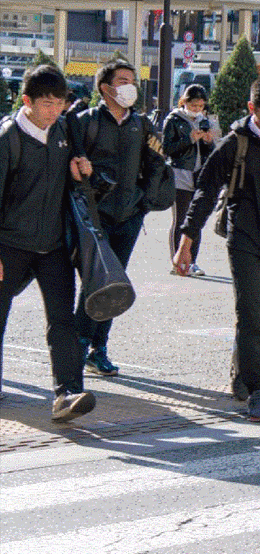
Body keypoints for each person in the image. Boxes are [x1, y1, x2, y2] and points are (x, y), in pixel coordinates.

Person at [173, 77, 260, 422]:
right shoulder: (234, 145)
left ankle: (245, 369)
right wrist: (187, 240)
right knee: (251, 315)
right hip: (245, 242)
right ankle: (256, 391)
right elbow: (205, 192)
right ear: (252, 109)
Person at [0, 65, 96, 422]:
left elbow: (80, 187)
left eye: (60, 102)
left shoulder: (65, 131)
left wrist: (83, 174)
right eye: (46, 103)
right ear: (27, 101)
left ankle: (68, 393)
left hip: (53, 245)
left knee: (63, 321)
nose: (53, 111)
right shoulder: (8, 137)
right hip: (9, 244)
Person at [75, 58, 171, 377]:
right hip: (93, 218)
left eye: (133, 80)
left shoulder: (142, 125)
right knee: (94, 281)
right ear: (105, 88)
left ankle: (98, 348)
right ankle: (78, 345)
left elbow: (157, 164)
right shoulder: (86, 121)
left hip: (128, 218)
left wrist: (142, 199)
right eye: (122, 81)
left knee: (114, 285)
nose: (130, 86)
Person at [162, 84, 219, 277]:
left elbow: (211, 152)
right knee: (181, 219)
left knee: (196, 218)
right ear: (184, 102)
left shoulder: (204, 121)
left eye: (200, 106)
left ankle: (192, 261)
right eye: (193, 105)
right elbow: (167, 149)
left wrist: (209, 142)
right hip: (179, 173)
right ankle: (176, 261)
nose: (197, 110)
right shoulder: (174, 119)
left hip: (199, 174)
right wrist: (189, 139)